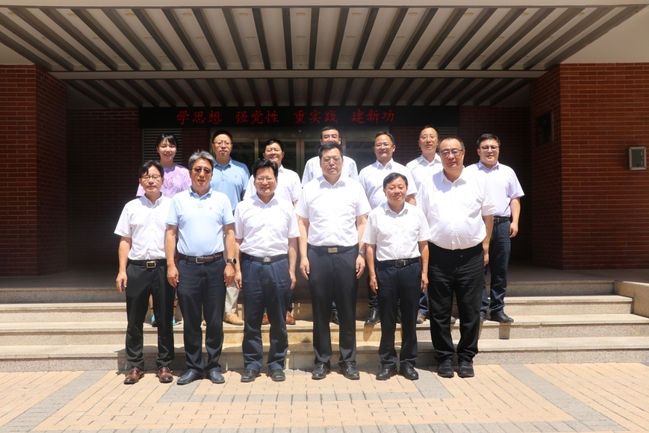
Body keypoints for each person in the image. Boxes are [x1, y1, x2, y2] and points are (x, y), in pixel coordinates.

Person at [419, 137, 496, 379]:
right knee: (439, 310)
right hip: (438, 256)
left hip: (471, 255)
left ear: (463, 153)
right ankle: (443, 356)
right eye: (445, 152)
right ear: (439, 155)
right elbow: (421, 219)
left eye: (455, 151)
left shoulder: (478, 180)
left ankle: (466, 357)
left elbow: (488, 216)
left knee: (470, 309)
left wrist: (485, 247)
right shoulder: (429, 183)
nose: (450, 156)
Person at [296, 142, 370, 381]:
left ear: (343, 162)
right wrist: (304, 256)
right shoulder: (309, 189)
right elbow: (302, 223)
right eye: (326, 159)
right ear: (319, 163)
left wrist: (360, 253)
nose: (331, 163)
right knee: (320, 310)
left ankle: (348, 361)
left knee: (347, 310)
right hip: (318, 255)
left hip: (348, 254)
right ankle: (322, 361)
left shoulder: (354, 187)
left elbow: (362, 221)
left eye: (336, 158)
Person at [165, 150, 237, 385]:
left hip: (216, 265)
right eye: (197, 169)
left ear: (212, 174)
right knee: (191, 320)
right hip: (187, 267)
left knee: (215, 319)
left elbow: (230, 233)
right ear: (190, 173)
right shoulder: (178, 200)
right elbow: (171, 234)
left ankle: (213, 365)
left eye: (207, 170)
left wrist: (231, 263)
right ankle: (194, 366)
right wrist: (171, 265)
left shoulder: (222, 199)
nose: (202, 174)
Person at [234, 159, 299, 382]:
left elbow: (292, 241)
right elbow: (237, 240)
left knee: (279, 319)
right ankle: (252, 364)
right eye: (260, 178)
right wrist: (237, 269)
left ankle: (276, 363)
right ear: (254, 181)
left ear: (276, 180)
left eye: (269, 178)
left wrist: (291, 270)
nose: (264, 182)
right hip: (251, 266)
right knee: (252, 319)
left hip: (278, 265)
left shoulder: (286, 206)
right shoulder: (243, 207)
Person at [363, 173, 429, 381]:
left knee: (409, 319)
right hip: (386, 270)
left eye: (400, 187)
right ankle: (388, 363)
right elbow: (370, 247)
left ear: (406, 189)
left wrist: (424, 272)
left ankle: (408, 363)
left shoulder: (416, 213)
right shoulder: (375, 215)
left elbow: (424, 245)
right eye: (391, 187)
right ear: (384, 191)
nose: (396, 191)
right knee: (387, 319)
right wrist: (372, 274)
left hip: (411, 269)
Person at [115, 160, 175, 385]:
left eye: (155, 176)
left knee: (165, 317)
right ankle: (135, 365)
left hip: (163, 267)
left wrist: (173, 265)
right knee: (135, 319)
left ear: (163, 180)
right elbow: (125, 240)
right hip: (137, 268)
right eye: (146, 177)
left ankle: (165, 364)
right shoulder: (131, 207)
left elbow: (176, 237)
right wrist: (122, 270)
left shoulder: (172, 205)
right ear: (140, 181)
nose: (151, 180)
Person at [358, 131, 417, 326]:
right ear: (374, 148)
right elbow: (360, 202)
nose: (382, 147)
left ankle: (398, 310)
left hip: (399, 224)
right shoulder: (365, 172)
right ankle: (375, 308)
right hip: (374, 225)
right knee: (374, 267)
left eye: (386, 144)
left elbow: (411, 198)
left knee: (397, 268)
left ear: (393, 147)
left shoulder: (403, 169)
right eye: (378, 144)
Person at [243, 139, 302, 325]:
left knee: (284, 277)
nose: (273, 153)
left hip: (282, 225)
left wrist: (292, 223)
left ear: (283, 154)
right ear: (264, 154)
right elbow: (248, 201)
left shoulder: (292, 176)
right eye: (269, 150)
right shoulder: (255, 178)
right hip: (259, 227)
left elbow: (297, 203)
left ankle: (286, 310)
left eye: (276, 150)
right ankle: (264, 312)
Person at [467, 133, 524, 323]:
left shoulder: (508, 172)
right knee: (478, 268)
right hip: (478, 225)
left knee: (500, 269)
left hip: (502, 225)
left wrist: (515, 221)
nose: (489, 151)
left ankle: (498, 309)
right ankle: (481, 309)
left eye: (493, 147)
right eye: (485, 147)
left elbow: (515, 198)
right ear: (478, 151)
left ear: (498, 150)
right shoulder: (469, 172)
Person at [136, 133, 190, 327]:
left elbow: (188, 199)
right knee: (155, 269)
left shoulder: (184, 173)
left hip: (177, 228)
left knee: (173, 267)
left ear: (176, 149)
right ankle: (154, 312)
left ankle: (172, 311)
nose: (168, 149)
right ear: (157, 149)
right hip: (154, 227)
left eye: (172, 145)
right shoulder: (150, 171)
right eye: (164, 145)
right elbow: (141, 199)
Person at [209, 130, 249, 326]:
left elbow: (247, 198)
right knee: (211, 268)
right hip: (209, 223)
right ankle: (211, 311)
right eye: (219, 142)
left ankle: (230, 310)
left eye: (226, 142)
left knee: (232, 264)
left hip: (232, 225)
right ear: (213, 146)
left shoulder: (241, 169)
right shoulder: (206, 168)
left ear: (232, 146)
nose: (223, 146)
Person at [406, 125, 444, 325]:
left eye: (432, 137)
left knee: (439, 268)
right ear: (418, 142)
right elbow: (408, 196)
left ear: (437, 141)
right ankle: (421, 308)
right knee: (420, 266)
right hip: (418, 223)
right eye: (424, 137)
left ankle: (439, 309)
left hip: (441, 223)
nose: (428, 140)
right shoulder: (410, 167)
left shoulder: (445, 163)